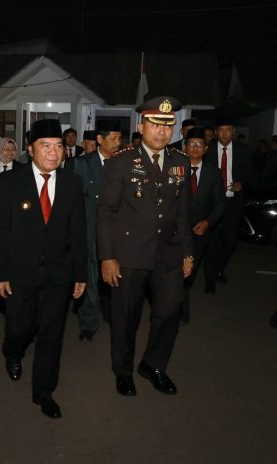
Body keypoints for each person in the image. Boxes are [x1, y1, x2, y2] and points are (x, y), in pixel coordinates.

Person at [0, 118, 86, 419]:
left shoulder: (72, 183)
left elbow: (78, 231)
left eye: (58, 146)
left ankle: (44, 392)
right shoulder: (11, 182)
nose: (53, 152)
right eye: (45, 146)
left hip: (58, 273)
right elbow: (0, 231)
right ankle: (13, 352)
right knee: (20, 327)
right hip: (20, 272)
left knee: (52, 333)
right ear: (30, 150)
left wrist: (81, 274)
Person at [97, 96, 193, 398]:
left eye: (168, 126)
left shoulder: (180, 162)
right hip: (129, 253)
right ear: (141, 126)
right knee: (126, 317)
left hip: (169, 252)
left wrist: (188, 252)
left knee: (169, 311)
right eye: (155, 125)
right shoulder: (122, 161)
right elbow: (106, 212)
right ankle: (123, 370)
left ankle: (153, 365)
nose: (162, 132)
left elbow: (183, 213)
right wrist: (107, 256)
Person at [73, 119, 122, 341]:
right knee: (90, 278)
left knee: (116, 277)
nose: (117, 142)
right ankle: (88, 323)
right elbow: (75, 200)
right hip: (90, 230)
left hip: (118, 233)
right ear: (100, 139)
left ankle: (114, 314)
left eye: (120, 138)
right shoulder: (83, 164)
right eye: (113, 138)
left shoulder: (126, 163)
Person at [181, 128, 224, 323]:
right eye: (191, 144)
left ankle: (180, 306)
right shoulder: (175, 169)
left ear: (206, 149)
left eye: (199, 145)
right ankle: (180, 310)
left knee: (189, 271)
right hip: (175, 231)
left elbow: (220, 204)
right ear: (185, 147)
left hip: (199, 232)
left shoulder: (213, 173)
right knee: (174, 271)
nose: (195, 148)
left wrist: (208, 222)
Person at [203, 118, 252, 290]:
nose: (224, 133)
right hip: (212, 203)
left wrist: (242, 183)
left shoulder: (243, 151)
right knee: (212, 242)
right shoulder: (207, 150)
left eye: (228, 130)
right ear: (216, 132)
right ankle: (210, 280)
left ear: (233, 131)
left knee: (230, 242)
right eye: (221, 130)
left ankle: (218, 268)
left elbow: (252, 175)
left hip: (233, 202)